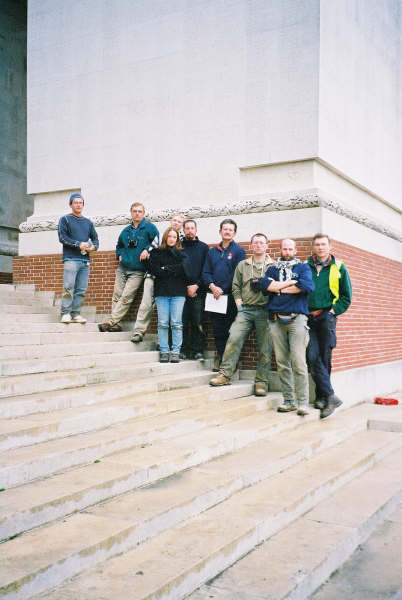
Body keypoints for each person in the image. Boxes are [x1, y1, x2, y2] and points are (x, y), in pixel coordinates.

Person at [210, 233, 273, 396]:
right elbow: (235, 286)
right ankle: (225, 374)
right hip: (245, 310)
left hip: (265, 311)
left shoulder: (273, 266)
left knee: (265, 347)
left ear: (267, 246)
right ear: (251, 246)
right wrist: (238, 303)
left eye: (261, 243)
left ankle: (261, 382)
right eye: (255, 242)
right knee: (233, 338)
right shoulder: (243, 265)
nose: (258, 245)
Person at [260, 238, 314, 415]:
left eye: (290, 248)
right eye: (285, 248)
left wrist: (278, 288)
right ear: (280, 250)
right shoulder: (272, 268)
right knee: (282, 363)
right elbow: (264, 286)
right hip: (276, 321)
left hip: (297, 320)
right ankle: (289, 400)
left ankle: (303, 403)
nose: (287, 251)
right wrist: (291, 284)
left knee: (298, 362)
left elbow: (307, 286)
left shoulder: (303, 268)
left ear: (295, 250)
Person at [307, 233, 352, 419]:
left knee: (325, 357)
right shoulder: (305, 266)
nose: (320, 247)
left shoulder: (339, 267)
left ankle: (321, 398)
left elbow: (346, 296)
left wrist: (333, 311)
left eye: (323, 244)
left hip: (327, 317)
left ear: (329, 246)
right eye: (317, 244)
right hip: (309, 317)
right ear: (313, 247)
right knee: (311, 356)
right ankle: (331, 395)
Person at [98, 203, 159, 333]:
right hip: (122, 267)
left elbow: (157, 242)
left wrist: (147, 250)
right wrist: (119, 255)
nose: (137, 213)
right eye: (135, 211)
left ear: (143, 213)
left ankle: (111, 321)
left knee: (126, 297)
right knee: (117, 295)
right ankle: (116, 324)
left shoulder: (149, 228)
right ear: (131, 213)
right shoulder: (126, 230)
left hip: (138, 270)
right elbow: (119, 245)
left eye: (140, 211)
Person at [130, 212, 185, 344]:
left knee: (172, 317)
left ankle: (165, 344)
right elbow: (150, 250)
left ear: (182, 224)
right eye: (174, 220)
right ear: (171, 221)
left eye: (179, 221)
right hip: (153, 275)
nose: (176, 223)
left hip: (170, 281)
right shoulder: (161, 236)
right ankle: (139, 331)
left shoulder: (183, 240)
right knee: (146, 303)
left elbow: (181, 263)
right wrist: (145, 250)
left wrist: (166, 270)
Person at [202, 219, 246, 370]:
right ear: (220, 231)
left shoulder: (239, 251)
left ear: (234, 233)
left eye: (230, 229)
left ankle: (231, 362)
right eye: (225, 229)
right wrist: (212, 286)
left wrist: (223, 288)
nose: (227, 231)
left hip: (231, 298)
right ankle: (221, 358)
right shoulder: (212, 252)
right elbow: (206, 272)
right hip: (214, 298)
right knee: (218, 330)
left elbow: (237, 274)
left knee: (231, 332)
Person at [149, 227, 190, 363]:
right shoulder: (156, 252)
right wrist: (173, 269)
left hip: (178, 292)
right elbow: (154, 270)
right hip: (162, 292)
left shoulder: (182, 253)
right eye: (170, 236)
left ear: (177, 239)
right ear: (165, 237)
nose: (172, 239)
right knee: (162, 323)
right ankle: (164, 351)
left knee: (177, 323)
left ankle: (175, 352)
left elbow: (184, 269)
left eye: (174, 237)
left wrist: (166, 268)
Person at [58, 193, 98, 324]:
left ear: (83, 205)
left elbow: (95, 239)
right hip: (70, 259)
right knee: (69, 287)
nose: (78, 205)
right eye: (75, 202)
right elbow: (62, 238)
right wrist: (78, 244)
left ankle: (76, 313)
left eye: (80, 202)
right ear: (71, 204)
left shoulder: (88, 222)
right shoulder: (65, 220)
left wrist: (93, 247)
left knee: (81, 289)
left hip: (85, 260)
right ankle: (65, 313)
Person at [180, 219, 209, 360]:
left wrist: (196, 285)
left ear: (196, 230)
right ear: (183, 230)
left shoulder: (203, 248)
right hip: (181, 291)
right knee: (182, 322)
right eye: (187, 228)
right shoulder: (179, 247)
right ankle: (183, 350)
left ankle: (198, 351)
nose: (190, 230)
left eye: (192, 228)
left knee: (198, 322)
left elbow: (206, 269)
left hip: (199, 291)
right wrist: (185, 287)